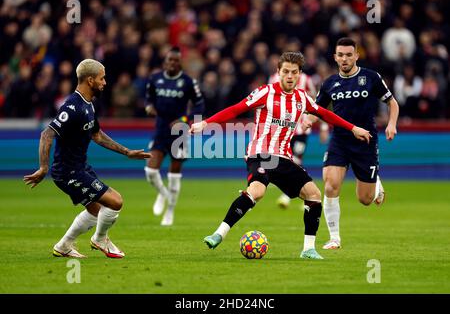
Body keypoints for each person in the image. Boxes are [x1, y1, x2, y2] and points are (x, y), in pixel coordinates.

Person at [189, 52, 371, 260]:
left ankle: (308, 249)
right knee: (256, 192)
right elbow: (235, 109)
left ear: (300, 74)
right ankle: (219, 234)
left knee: (313, 195)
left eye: (294, 72)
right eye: (285, 72)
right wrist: (205, 123)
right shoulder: (264, 93)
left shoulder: (302, 98)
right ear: (278, 72)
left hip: (283, 158)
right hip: (261, 154)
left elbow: (325, 114)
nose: (290, 76)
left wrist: (353, 128)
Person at [23, 59, 151, 259]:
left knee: (95, 210)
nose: (105, 82)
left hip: (80, 168)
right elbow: (46, 134)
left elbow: (97, 135)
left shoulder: (88, 104)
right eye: (102, 78)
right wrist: (43, 168)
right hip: (68, 172)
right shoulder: (72, 107)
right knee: (116, 201)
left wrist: (127, 152)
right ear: (90, 80)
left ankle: (63, 246)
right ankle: (100, 239)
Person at [304, 37, 399, 250]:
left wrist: (392, 124)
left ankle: (375, 183)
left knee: (364, 199)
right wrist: (307, 120)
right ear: (335, 57)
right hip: (340, 141)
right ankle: (334, 238)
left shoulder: (371, 77)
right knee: (330, 185)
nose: (345, 59)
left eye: (349, 54)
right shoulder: (329, 83)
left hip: (365, 142)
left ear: (356, 55)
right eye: (341, 55)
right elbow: (316, 110)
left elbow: (392, 102)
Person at [144, 47, 204, 226]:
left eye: (175, 60)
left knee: (174, 174)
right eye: (169, 60)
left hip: (178, 132)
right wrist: (148, 107)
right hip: (160, 129)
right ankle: (163, 194)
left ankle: (170, 211)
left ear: (180, 63)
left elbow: (199, 105)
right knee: (150, 171)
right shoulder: (155, 79)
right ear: (165, 61)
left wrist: (184, 119)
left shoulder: (188, 82)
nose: (172, 63)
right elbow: (148, 99)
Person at [268, 69, 330, 209]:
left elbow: (317, 104)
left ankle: (288, 196)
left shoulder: (306, 80)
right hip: (280, 130)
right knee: (283, 162)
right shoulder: (273, 79)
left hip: (301, 129)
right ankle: (307, 195)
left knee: (296, 160)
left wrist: (324, 127)